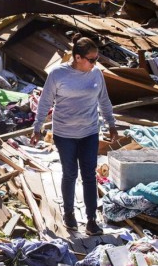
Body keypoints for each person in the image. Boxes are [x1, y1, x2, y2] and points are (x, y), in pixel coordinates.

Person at [30, 36, 118, 236]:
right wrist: (37, 128)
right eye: (91, 59)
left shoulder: (96, 74)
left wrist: (112, 125)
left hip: (89, 132)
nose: (95, 63)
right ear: (77, 57)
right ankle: (69, 214)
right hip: (65, 134)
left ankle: (91, 220)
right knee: (70, 173)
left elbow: (104, 100)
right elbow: (45, 102)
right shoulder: (58, 75)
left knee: (89, 175)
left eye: (97, 59)